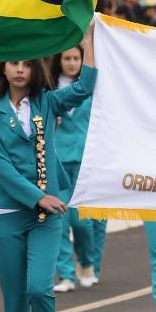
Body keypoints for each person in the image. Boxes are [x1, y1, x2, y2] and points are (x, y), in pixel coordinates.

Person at [0, 52, 96, 312]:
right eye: (14, 62)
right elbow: (0, 166)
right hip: (8, 217)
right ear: (3, 66)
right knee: (14, 298)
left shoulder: (45, 102)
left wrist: (88, 41)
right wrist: (36, 196)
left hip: (46, 216)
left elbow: (84, 87)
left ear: (36, 68)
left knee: (39, 290)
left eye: (27, 63)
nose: (20, 69)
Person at [48, 45, 109, 293]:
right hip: (58, 160)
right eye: (67, 58)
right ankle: (65, 274)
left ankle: (87, 263)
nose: (72, 63)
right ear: (59, 60)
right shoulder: (49, 90)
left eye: (76, 58)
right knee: (59, 220)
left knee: (83, 221)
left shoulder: (91, 87)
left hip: (88, 159)